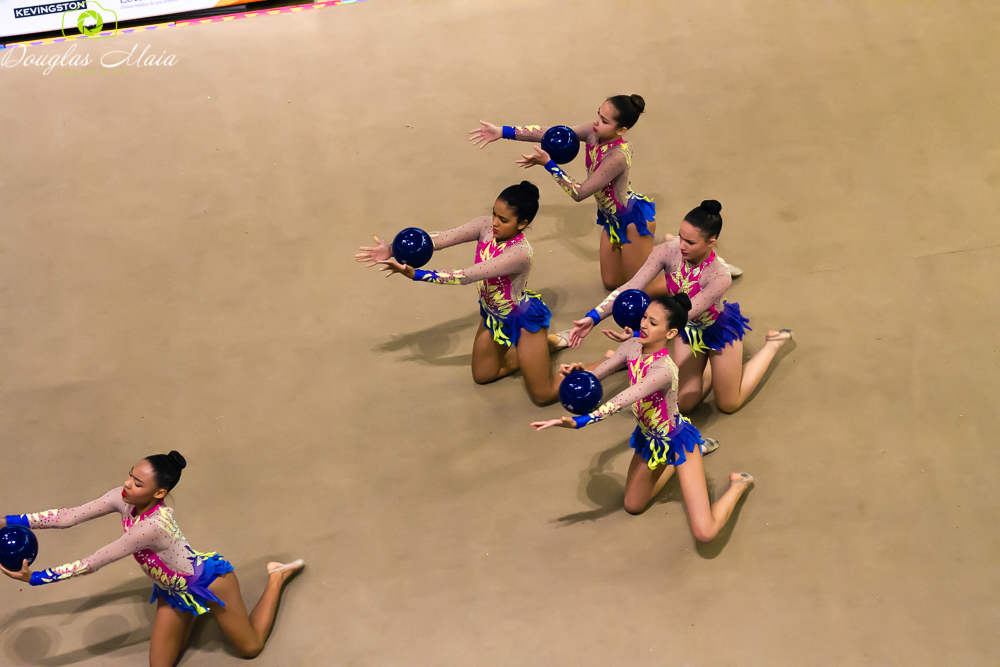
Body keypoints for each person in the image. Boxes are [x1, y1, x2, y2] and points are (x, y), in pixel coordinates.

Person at [0, 452, 303, 667]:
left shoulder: (151, 528)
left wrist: (36, 577)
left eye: (138, 483)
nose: (128, 485)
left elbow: (94, 561)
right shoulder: (121, 496)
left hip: (210, 584)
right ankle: (194, 612)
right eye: (130, 475)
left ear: (159, 493)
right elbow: (68, 517)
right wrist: (8, 520)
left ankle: (277, 577)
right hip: (173, 591)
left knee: (250, 648)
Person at [531, 295, 753, 541]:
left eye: (654, 323)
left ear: (670, 334)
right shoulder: (631, 346)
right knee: (633, 505)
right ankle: (689, 457)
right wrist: (580, 374)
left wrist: (581, 421)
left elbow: (622, 399)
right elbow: (601, 372)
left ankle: (738, 485)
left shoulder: (663, 371)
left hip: (677, 441)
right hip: (650, 440)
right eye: (645, 317)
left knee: (705, 532)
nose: (644, 324)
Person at [568, 200, 792, 413]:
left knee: (729, 404)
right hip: (689, 331)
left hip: (716, 329)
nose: (681, 245)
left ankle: (772, 344)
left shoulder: (719, 276)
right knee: (683, 405)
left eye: (690, 242)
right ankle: (712, 369)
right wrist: (593, 317)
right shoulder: (668, 251)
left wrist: (639, 334)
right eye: (681, 237)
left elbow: (680, 314)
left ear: (711, 243)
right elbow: (632, 286)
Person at [356, 182, 566, 406]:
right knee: (483, 375)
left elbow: (467, 276)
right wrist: (393, 249)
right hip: (493, 317)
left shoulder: (520, 253)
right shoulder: (485, 226)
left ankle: (600, 367)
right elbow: (442, 238)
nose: (495, 222)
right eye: (494, 214)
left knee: (543, 396)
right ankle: (543, 349)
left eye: (504, 220)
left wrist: (418, 275)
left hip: (522, 320)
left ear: (522, 223)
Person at [469, 94, 661, 294]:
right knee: (611, 283)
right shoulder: (593, 132)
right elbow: (551, 134)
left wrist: (549, 164)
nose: (596, 121)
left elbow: (580, 192)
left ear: (621, 130)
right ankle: (647, 258)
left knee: (640, 291)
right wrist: (503, 131)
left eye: (604, 120)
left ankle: (673, 265)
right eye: (598, 113)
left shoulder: (617, 156)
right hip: (611, 221)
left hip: (633, 223)